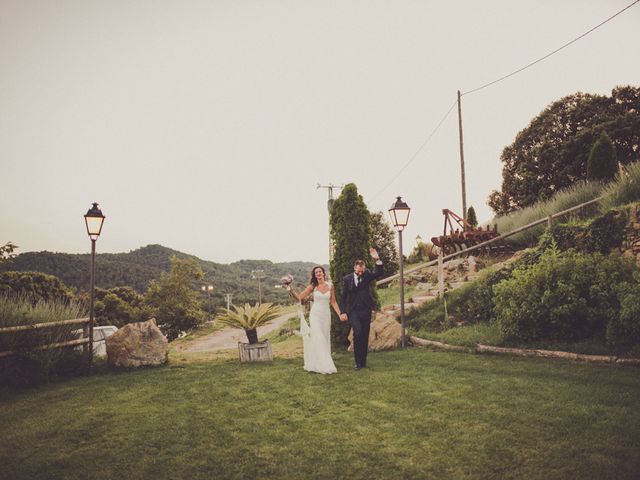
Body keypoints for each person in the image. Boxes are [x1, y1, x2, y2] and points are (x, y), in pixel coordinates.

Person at [287, 266, 340, 374]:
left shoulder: (330, 286)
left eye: (320, 271)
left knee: (324, 338)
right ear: (315, 275)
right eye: (316, 272)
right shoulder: (313, 286)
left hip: (326, 315)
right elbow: (300, 297)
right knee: (319, 338)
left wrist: (340, 314)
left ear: (323, 273)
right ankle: (324, 365)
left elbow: (333, 302)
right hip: (315, 315)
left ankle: (318, 362)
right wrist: (290, 289)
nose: (319, 273)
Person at [340, 248, 383, 370]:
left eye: (362, 271)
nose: (360, 273)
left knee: (364, 335)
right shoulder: (347, 279)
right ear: (355, 268)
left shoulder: (367, 274)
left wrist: (377, 259)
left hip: (366, 310)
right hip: (353, 311)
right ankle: (357, 362)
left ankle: (363, 362)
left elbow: (378, 273)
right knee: (357, 333)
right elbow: (343, 297)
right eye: (358, 271)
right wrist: (343, 311)